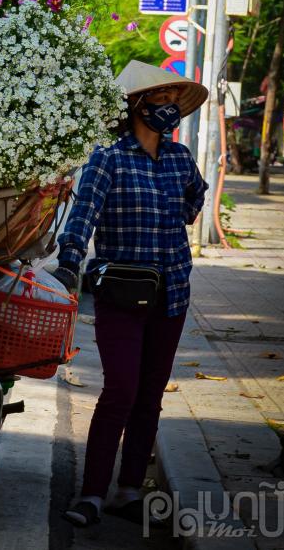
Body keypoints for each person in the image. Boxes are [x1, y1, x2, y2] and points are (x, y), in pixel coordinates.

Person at [53, 60, 209, 529]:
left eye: (172, 101)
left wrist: (181, 207)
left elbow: (194, 198)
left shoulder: (180, 158)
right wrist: (68, 263)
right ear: (137, 105)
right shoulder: (109, 157)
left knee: (150, 395)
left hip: (173, 292)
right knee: (120, 389)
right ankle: (93, 493)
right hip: (122, 292)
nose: (169, 108)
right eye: (160, 100)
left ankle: (127, 490)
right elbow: (84, 215)